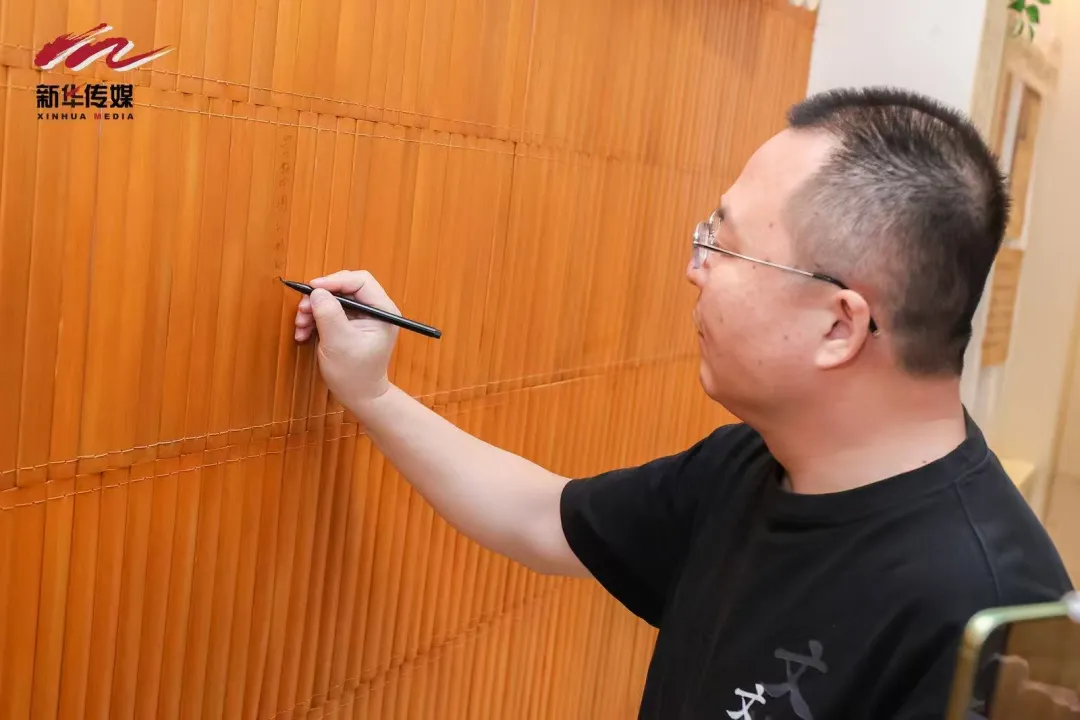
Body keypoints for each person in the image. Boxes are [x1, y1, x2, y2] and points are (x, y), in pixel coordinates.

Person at [291, 86, 1073, 719]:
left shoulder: (988, 621)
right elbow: (541, 516)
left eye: (724, 245)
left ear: (840, 326)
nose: (695, 268)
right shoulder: (753, 465)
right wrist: (373, 393)